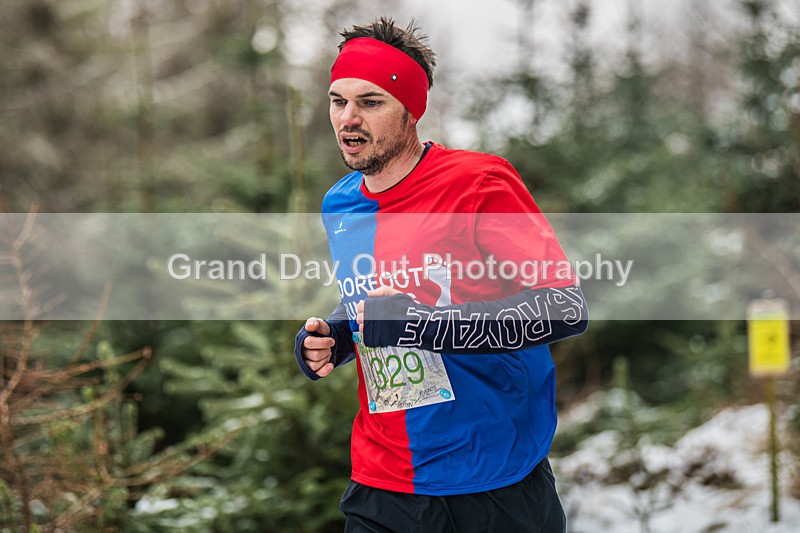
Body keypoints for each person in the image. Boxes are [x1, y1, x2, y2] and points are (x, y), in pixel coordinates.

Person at [294, 17, 588, 533]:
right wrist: (338, 335)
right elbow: (371, 299)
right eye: (338, 101)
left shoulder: (478, 183)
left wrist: (423, 326)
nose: (348, 119)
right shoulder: (340, 204)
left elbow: (564, 307)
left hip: (492, 476)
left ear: (411, 110)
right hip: (384, 476)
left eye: (370, 102)